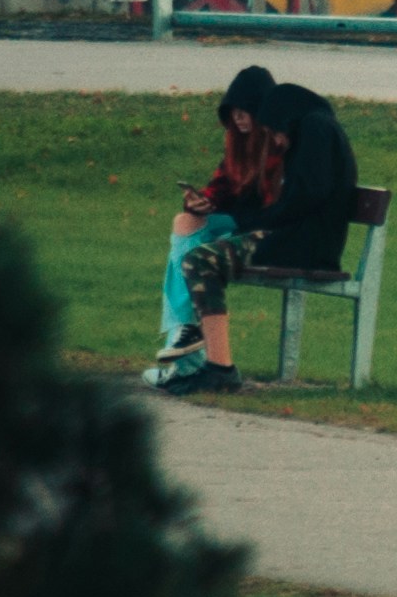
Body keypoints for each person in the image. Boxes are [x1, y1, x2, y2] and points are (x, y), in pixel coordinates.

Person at [152, 64, 358, 395]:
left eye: (274, 131)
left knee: (199, 259)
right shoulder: (310, 127)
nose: (276, 139)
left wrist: (248, 223)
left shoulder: (314, 130)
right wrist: (206, 203)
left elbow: (304, 197)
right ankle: (198, 351)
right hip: (288, 235)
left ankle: (218, 367)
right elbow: (294, 197)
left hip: (302, 243)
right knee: (192, 242)